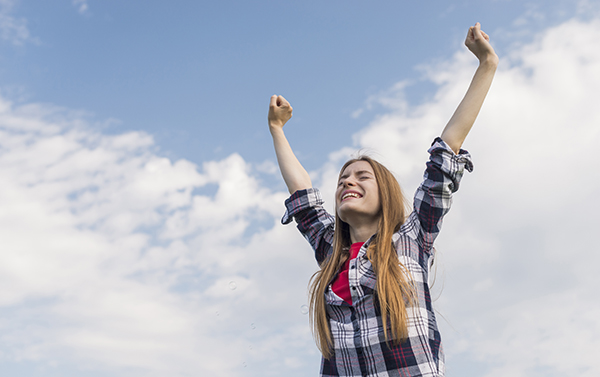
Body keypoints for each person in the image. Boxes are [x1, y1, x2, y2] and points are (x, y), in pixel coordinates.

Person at [267, 23, 498, 377]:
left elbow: (447, 149)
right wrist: (277, 129)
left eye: (362, 177)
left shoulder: (411, 237)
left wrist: (486, 65)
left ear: (385, 193)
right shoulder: (331, 251)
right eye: (343, 179)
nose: (348, 182)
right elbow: (302, 195)